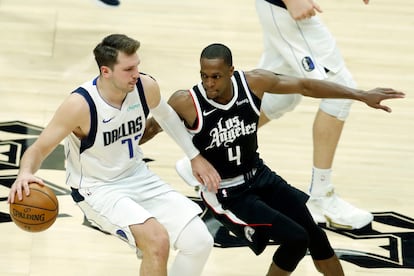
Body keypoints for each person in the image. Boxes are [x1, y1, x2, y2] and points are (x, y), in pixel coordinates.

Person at [148, 43, 404, 275]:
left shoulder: (254, 83)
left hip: (259, 175)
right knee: (295, 239)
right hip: (228, 194)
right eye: (204, 76)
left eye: (216, 77)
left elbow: (305, 86)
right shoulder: (187, 102)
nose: (209, 83)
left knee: (315, 235)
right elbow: (152, 126)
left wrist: (360, 95)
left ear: (231, 71)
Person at [7, 34, 222, 276]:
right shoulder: (80, 105)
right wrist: (25, 173)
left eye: (138, 65)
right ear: (106, 71)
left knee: (199, 242)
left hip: (138, 176)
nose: (136, 74)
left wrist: (194, 156)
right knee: (157, 241)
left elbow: (167, 116)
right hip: (97, 189)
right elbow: (38, 148)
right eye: (129, 69)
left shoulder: (145, 86)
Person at [252, 0, 373, 230]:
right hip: (283, 7)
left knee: (280, 94)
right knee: (340, 90)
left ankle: (208, 152)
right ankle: (320, 196)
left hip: (277, 9)